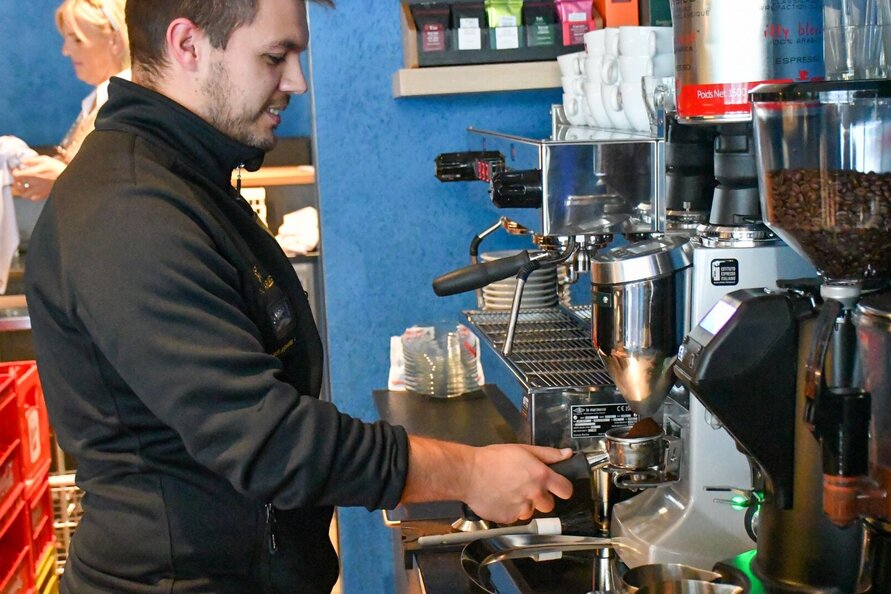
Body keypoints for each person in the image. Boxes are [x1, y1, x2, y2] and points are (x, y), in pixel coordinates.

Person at [24, 0, 575, 592]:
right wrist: (467, 472)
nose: (297, 81)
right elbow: (269, 441)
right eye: (274, 56)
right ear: (188, 46)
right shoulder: (131, 211)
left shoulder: (188, 180)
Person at [11, 0, 130, 201]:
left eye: (77, 40)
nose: (65, 50)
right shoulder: (98, 102)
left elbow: (129, 186)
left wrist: (63, 178)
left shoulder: (127, 105)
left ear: (115, 41)